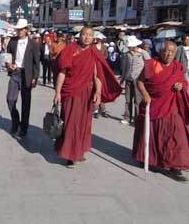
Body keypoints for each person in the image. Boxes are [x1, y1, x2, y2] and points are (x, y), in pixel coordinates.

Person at [53, 27, 122, 168]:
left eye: (90, 35)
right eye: (84, 34)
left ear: (93, 38)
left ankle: (79, 150)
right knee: (70, 123)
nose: (87, 37)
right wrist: (58, 92)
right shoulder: (70, 49)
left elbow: (97, 75)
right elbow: (62, 72)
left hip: (86, 93)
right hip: (71, 92)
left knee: (83, 123)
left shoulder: (93, 52)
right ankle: (70, 155)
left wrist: (98, 92)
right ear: (80, 35)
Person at [132, 41, 189, 182]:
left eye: (172, 52)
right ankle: (148, 158)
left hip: (171, 106)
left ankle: (175, 167)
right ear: (160, 51)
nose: (168, 54)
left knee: (177, 136)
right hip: (154, 104)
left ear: (175, 54)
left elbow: (183, 81)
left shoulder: (177, 67)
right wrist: (145, 95)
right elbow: (140, 82)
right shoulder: (152, 64)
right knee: (151, 135)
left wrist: (181, 85)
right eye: (166, 51)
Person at [6, 19, 41, 136]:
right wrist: (8, 64)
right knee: (10, 99)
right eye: (18, 29)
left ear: (26, 30)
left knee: (26, 103)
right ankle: (15, 122)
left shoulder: (33, 44)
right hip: (15, 73)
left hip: (27, 75)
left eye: (21, 29)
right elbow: (8, 56)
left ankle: (24, 127)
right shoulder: (12, 41)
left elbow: (36, 62)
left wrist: (35, 77)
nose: (19, 31)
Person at [120, 36, 150, 125]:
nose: (129, 47)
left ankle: (137, 119)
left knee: (138, 101)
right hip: (128, 78)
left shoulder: (142, 53)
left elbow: (149, 62)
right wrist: (122, 79)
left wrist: (143, 52)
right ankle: (127, 117)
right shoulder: (126, 54)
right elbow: (124, 67)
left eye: (131, 46)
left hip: (138, 79)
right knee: (128, 100)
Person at [94, 35, 109, 118]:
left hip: (102, 66)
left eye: (100, 39)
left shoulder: (104, 47)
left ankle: (102, 109)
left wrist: (102, 58)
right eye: (97, 39)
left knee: (101, 89)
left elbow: (106, 55)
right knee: (95, 89)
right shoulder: (93, 46)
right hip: (94, 66)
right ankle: (95, 109)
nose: (98, 40)